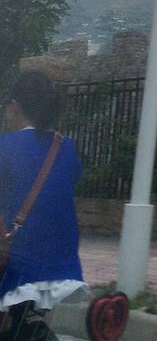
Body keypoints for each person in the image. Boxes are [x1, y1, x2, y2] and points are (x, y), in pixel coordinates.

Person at [0, 71, 88, 340]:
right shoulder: (67, 147)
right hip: (63, 267)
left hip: (17, 267)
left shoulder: (5, 146)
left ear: (14, 107)